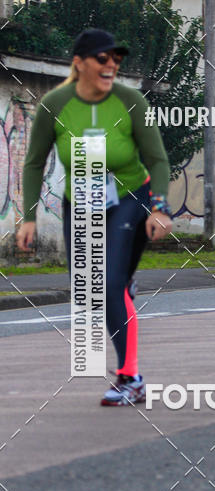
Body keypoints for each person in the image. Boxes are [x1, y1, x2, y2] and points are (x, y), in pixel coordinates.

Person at [16, 28, 173, 406]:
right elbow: (34, 163)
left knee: (109, 284)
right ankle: (122, 289)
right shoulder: (56, 104)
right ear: (79, 63)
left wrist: (160, 206)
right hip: (81, 203)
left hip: (130, 197)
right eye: (102, 58)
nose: (111, 65)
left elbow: (157, 159)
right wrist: (29, 217)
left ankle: (130, 378)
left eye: (115, 59)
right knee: (90, 289)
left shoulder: (130, 100)